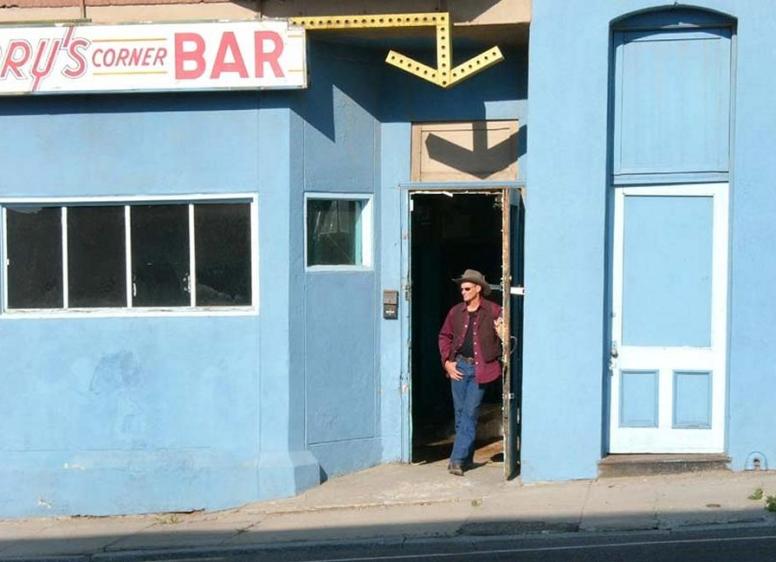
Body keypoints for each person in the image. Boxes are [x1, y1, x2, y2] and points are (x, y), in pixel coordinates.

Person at [438, 269, 504, 476]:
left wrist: (502, 330)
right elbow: (444, 336)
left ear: (478, 289)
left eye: (467, 289)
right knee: (460, 415)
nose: (463, 292)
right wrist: (447, 362)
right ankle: (466, 459)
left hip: (480, 369)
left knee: (469, 412)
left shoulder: (493, 310)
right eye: (462, 289)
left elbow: (506, 332)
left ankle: (456, 459)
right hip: (458, 367)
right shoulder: (456, 312)